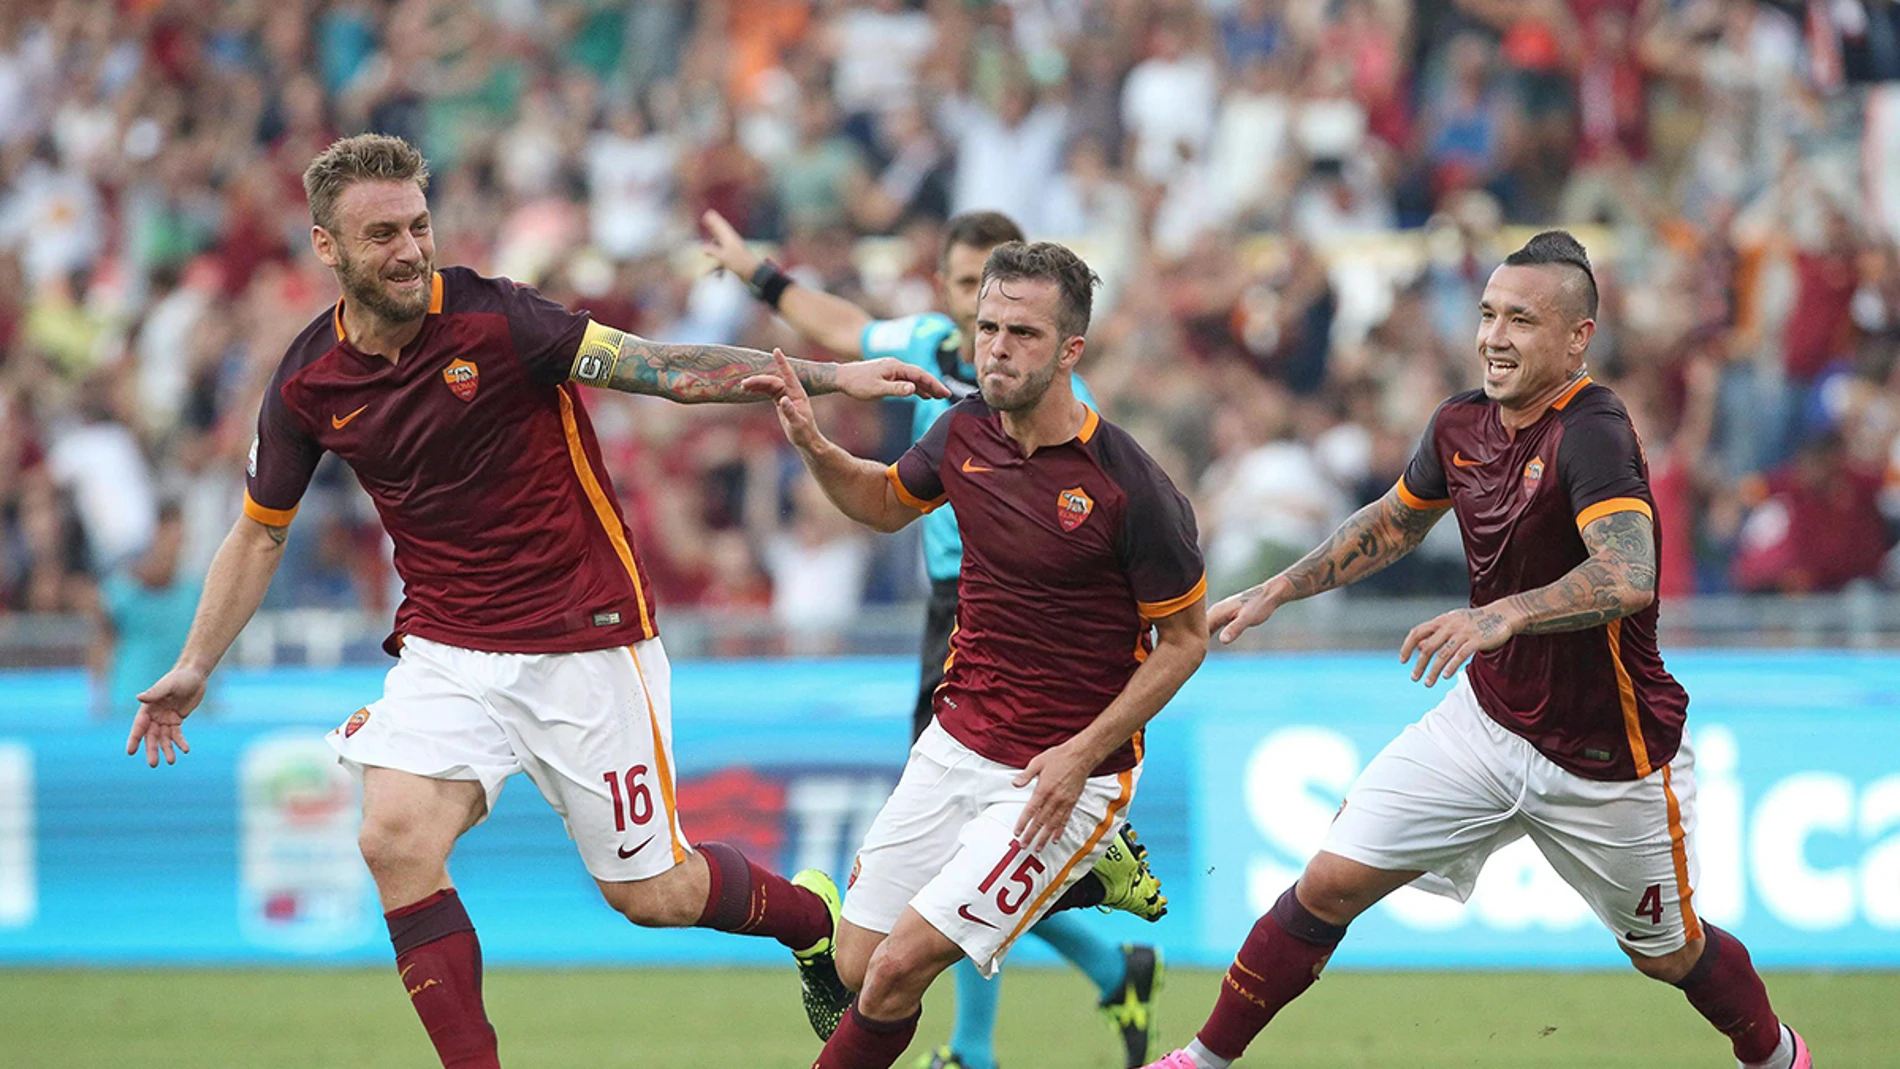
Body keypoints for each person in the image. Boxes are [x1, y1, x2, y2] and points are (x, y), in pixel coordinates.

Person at [123, 133, 948, 1069]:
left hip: (585, 637)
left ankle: (808, 920)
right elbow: (260, 530)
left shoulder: (499, 321)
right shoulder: (310, 380)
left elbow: (661, 367)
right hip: (449, 647)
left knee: (653, 894)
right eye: (382, 232)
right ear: (327, 247)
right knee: (393, 838)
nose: (408, 248)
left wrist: (831, 377)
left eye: (419, 226)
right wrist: (194, 664)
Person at [1141, 231, 1811, 1069]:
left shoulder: (1594, 431)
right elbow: (1392, 521)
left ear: (1577, 338)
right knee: (1328, 882)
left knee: (1667, 951)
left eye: (1521, 320)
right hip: (1488, 723)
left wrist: (1504, 615)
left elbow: (1631, 573)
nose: (1494, 334)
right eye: (1489, 313)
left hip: (1610, 754)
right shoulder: (1461, 423)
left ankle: (1780, 1056)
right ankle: (1201, 1060)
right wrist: (1282, 588)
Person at [704, 208, 1167, 1067]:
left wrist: (1085, 753)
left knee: (902, 964)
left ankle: (976, 1046)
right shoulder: (948, 401)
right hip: (960, 646)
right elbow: (879, 485)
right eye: (976, 310)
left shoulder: (1117, 475)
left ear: (1068, 347)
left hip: (1051, 714)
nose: (985, 337)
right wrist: (809, 431)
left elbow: (1182, 638)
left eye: (1015, 326)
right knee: (860, 961)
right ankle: (1095, 931)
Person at [92, 501, 198, 720]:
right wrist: (99, 700)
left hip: (186, 710)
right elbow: (102, 645)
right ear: (154, 534)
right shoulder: (119, 593)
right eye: (169, 535)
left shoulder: (197, 593)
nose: (174, 545)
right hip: (130, 704)